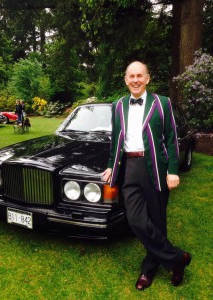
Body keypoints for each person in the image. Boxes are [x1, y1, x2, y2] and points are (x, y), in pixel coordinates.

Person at [102, 61, 191, 291]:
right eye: (131, 76)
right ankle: (177, 258)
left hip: (156, 168)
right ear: (125, 79)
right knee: (135, 219)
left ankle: (148, 270)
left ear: (148, 78)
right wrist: (112, 165)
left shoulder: (162, 103)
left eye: (139, 75)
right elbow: (116, 140)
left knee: (157, 220)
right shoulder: (118, 106)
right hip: (129, 167)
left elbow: (171, 139)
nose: (135, 80)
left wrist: (172, 170)